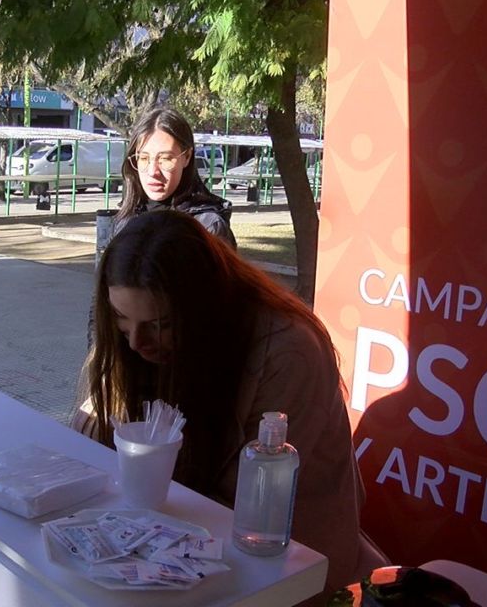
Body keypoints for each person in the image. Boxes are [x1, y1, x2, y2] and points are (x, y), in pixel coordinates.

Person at [73, 210, 363, 592]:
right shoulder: (133, 344)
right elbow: (88, 438)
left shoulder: (287, 353)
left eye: (160, 325)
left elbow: (243, 505)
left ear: (203, 312)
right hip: (180, 550)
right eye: (121, 318)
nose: (135, 343)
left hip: (287, 570)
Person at [114, 106, 236, 247]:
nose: (153, 171)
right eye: (143, 158)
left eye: (165, 159)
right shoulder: (125, 221)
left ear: (187, 157)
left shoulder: (207, 227)